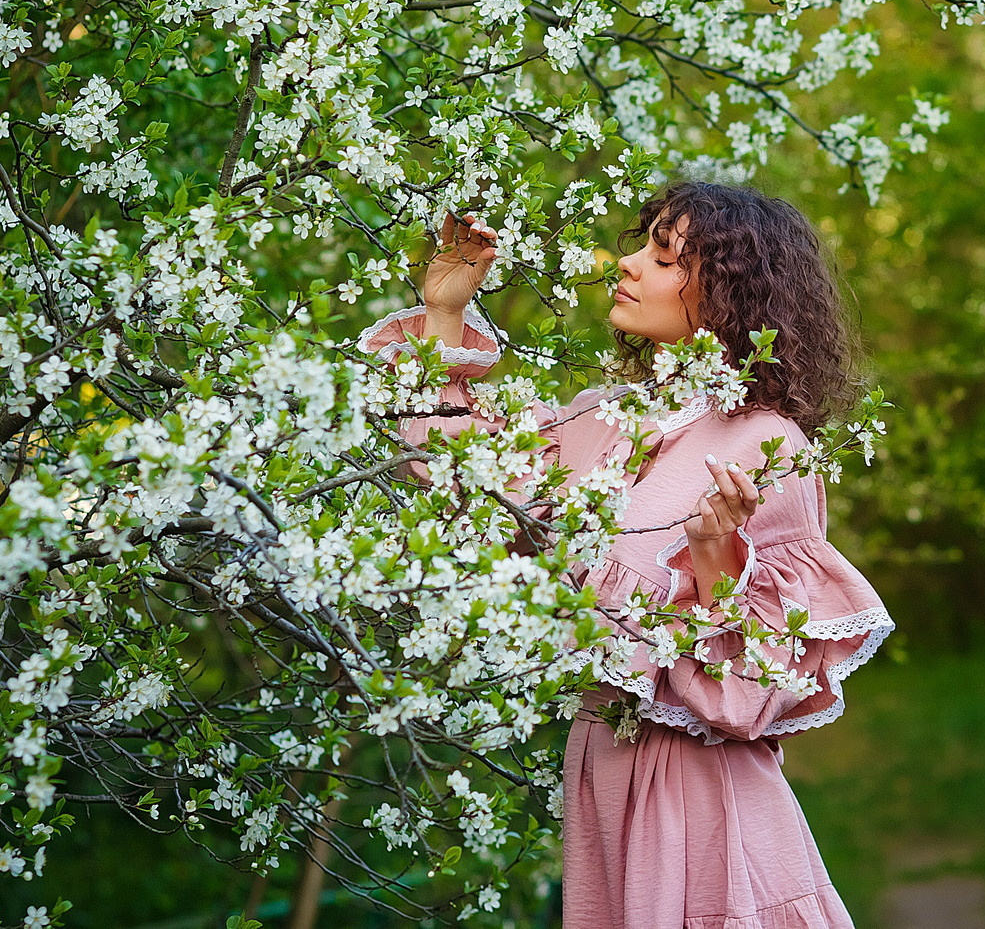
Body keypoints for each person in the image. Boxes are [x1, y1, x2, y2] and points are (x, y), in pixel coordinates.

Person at [358, 181, 892, 929]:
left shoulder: (767, 445)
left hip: (698, 796)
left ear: (728, 291)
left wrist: (716, 557)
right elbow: (468, 474)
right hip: (601, 769)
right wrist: (445, 313)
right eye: (641, 244)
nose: (629, 263)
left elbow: (751, 697)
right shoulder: (602, 421)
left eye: (664, 256)